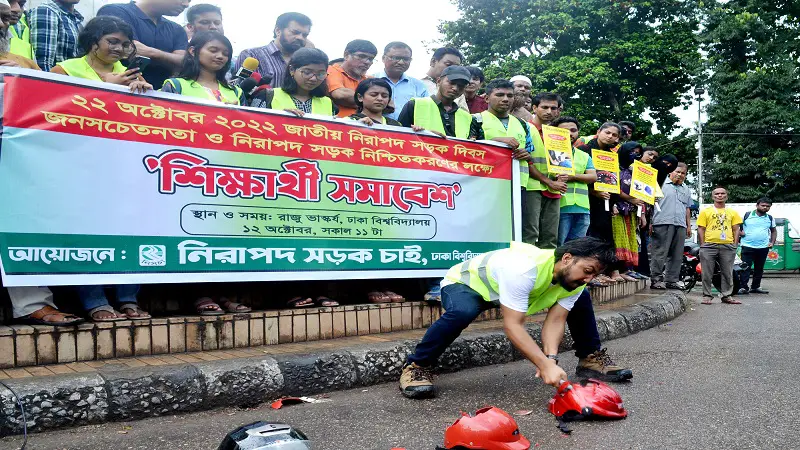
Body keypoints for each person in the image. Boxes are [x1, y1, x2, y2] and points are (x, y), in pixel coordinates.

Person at [399, 237, 617, 398]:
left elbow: (556, 320)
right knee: (462, 312)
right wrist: (543, 366)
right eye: (588, 270)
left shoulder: (575, 279)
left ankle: (590, 358)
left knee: (583, 296)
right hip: (466, 284)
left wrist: (550, 359)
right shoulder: (524, 269)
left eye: (594, 274)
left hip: (503, 289)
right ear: (567, 258)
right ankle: (416, 366)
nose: (589, 278)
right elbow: (513, 325)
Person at [97, 0, 189, 90]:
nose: (186, 4)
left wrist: (151, 53)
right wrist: (170, 57)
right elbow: (130, 49)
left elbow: (184, 61)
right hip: (116, 92)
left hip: (162, 98)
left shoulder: (177, 29)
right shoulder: (115, 11)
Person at [51, 16, 152, 93]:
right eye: (112, 42)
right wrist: (109, 87)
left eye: (125, 45)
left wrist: (144, 91)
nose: (119, 49)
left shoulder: (130, 75)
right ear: (91, 41)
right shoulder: (64, 70)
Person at [524, 92, 567, 249]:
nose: (549, 111)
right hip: (531, 187)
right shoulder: (525, 128)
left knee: (550, 236)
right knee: (530, 234)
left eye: (553, 108)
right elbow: (525, 161)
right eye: (545, 107)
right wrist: (550, 182)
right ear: (534, 108)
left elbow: (562, 163)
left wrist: (561, 178)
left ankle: (547, 272)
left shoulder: (558, 134)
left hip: (554, 190)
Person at [397, 65, 483, 140]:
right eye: (451, 83)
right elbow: (397, 137)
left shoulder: (467, 117)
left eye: (461, 86)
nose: (455, 88)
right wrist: (422, 135)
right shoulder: (414, 105)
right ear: (438, 81)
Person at [613, 147, 659, 280]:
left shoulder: (639, 172)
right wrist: (630, 199)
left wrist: (642, 213)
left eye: (638, 153)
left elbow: (642, 194)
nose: (651, 158)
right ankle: (619, 270)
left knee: (631, 241)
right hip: (618, 209)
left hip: (633, 212)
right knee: (619, 241)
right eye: (649, 154)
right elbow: (614, 189)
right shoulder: (619, 168)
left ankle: (628, 269)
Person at [162, 31, 243, 105]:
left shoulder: (236, 92)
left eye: (225, 54)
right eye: (213, 50)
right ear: (193, 51)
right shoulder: (176, 85)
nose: (220, 56)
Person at [233, 12, 311, 89]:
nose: (300, 37)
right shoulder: (251, 55)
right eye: (295, 32)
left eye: (305, 35)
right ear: (278, 31)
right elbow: (238, 90)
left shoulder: (306, 61)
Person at [250, 47, 334, 116]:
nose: (313, 78)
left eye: (320, 74)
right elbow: (252, 125)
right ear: (292, 70)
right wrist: (280, 118)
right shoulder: (267, 96)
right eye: (307, 72)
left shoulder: (328, 103)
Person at [553, 116, 597, 246]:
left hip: (583, 208)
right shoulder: (550, 152)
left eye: (573, 130)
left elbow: (593, 177)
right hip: (560, 206)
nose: (570, 133)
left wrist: (572, 176)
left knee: (577, 248)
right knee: (559, 245)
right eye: (565, 130)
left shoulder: (584, 155)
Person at [697, 187, 743, 305]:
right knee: (707, 272)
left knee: (727, 272)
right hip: (709, 246)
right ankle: (707, 296)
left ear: (726, 196)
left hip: (727, 245)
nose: (720, 195)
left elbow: (736, 229)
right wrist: (703, 245)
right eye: (717, 194)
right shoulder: (706, 212)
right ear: (713, 197)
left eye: (723, 193)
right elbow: (701, 229)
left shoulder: (732, 212)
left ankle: (727, 295)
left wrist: (735, 244)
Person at [650, 162, 692, 290]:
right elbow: (650, 204)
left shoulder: (686, 189)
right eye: (677, 172)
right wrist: (650, 222)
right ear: (670, 172)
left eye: (683, 173)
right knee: (660, 253)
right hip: (662, 222)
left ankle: (671, 280)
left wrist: (688, 226)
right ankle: (656, 279)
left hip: (680, 224)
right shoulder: (659, 183)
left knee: (677, 255)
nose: (680, 175)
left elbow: (687, 208)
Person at [373, 41, 427, 121]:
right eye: (396, 58)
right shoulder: (371, 80)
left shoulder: (419, 85)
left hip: (409, 131)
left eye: (406, 59)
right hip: (376, 129)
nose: (401, 62)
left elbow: (425, 113)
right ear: (383, 58)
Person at [29, 0, 83, 72]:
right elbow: (43, 63)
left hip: (72, 80)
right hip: (56, 80)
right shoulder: (47, 11)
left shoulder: (75, 17)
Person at [327, 39, 376, 118]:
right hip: (337, 126)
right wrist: (371, 104)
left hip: (366, 127)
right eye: (361, 56)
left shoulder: (370, 79)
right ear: (346, 55)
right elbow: (340, 94)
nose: (367, 62)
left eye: (370, 59)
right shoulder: (331, 70)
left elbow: (389, 106)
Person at [738, 197, 777, 295]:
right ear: (757, 205)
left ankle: (755, 287)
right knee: (745, 267)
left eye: (768, 206)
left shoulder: (770, 218)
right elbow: (735, 227)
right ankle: (743, 287)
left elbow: (773, 231)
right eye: (763, 205)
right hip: (747, 246)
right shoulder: (747, 215)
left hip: (763, 247)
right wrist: (740, 232)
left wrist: (772, 242)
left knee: (759, 268)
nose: (765, 208)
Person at [421, 47, 469, 112]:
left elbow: (464, 116)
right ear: (433, 62)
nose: (453, 70)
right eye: (448, 64)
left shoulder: (458, 91)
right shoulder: (415, 84)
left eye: (456, 67)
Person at [0, 0, 39, 69]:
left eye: (5, 18)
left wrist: (20, 74)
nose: (17, 9)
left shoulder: (25, 50)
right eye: (10, 2)